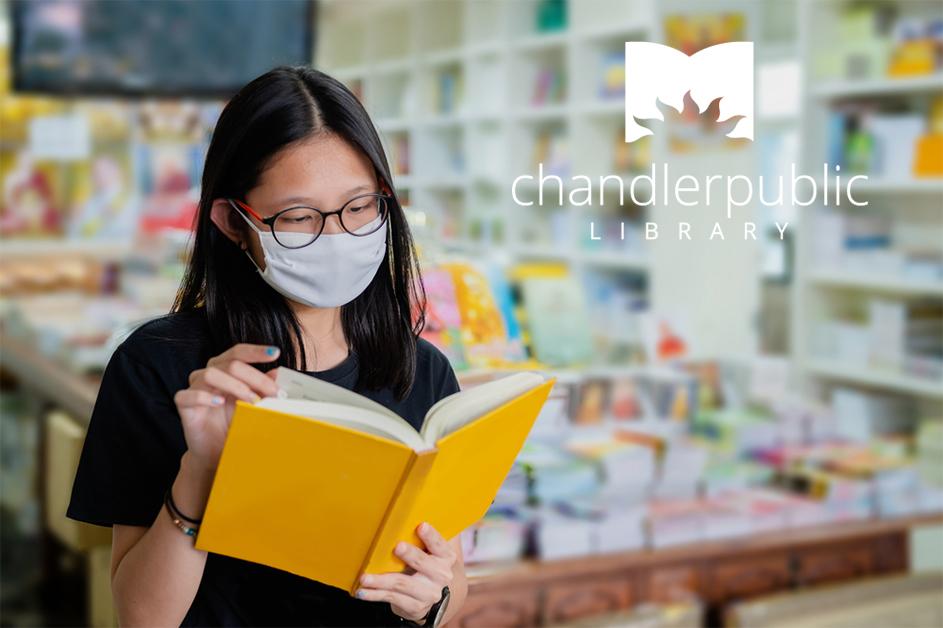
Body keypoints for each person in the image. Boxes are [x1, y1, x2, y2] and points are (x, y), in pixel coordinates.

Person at [67, 66, 467, 627]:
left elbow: (450, 584)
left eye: (359, 208)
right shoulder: (160, 367)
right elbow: (141, 619)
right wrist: (202, 469)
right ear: (233, 221)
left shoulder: (420, 372)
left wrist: (436, 601)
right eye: (299, 217)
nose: (336, 237)